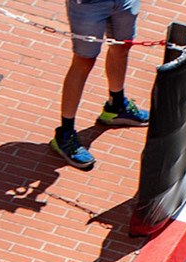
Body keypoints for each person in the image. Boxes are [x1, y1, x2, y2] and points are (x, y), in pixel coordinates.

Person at [52, 0, 150, 171]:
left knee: (122, 47)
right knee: (84, 61)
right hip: (89, 5)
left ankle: (116, 107)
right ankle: (65, 134)